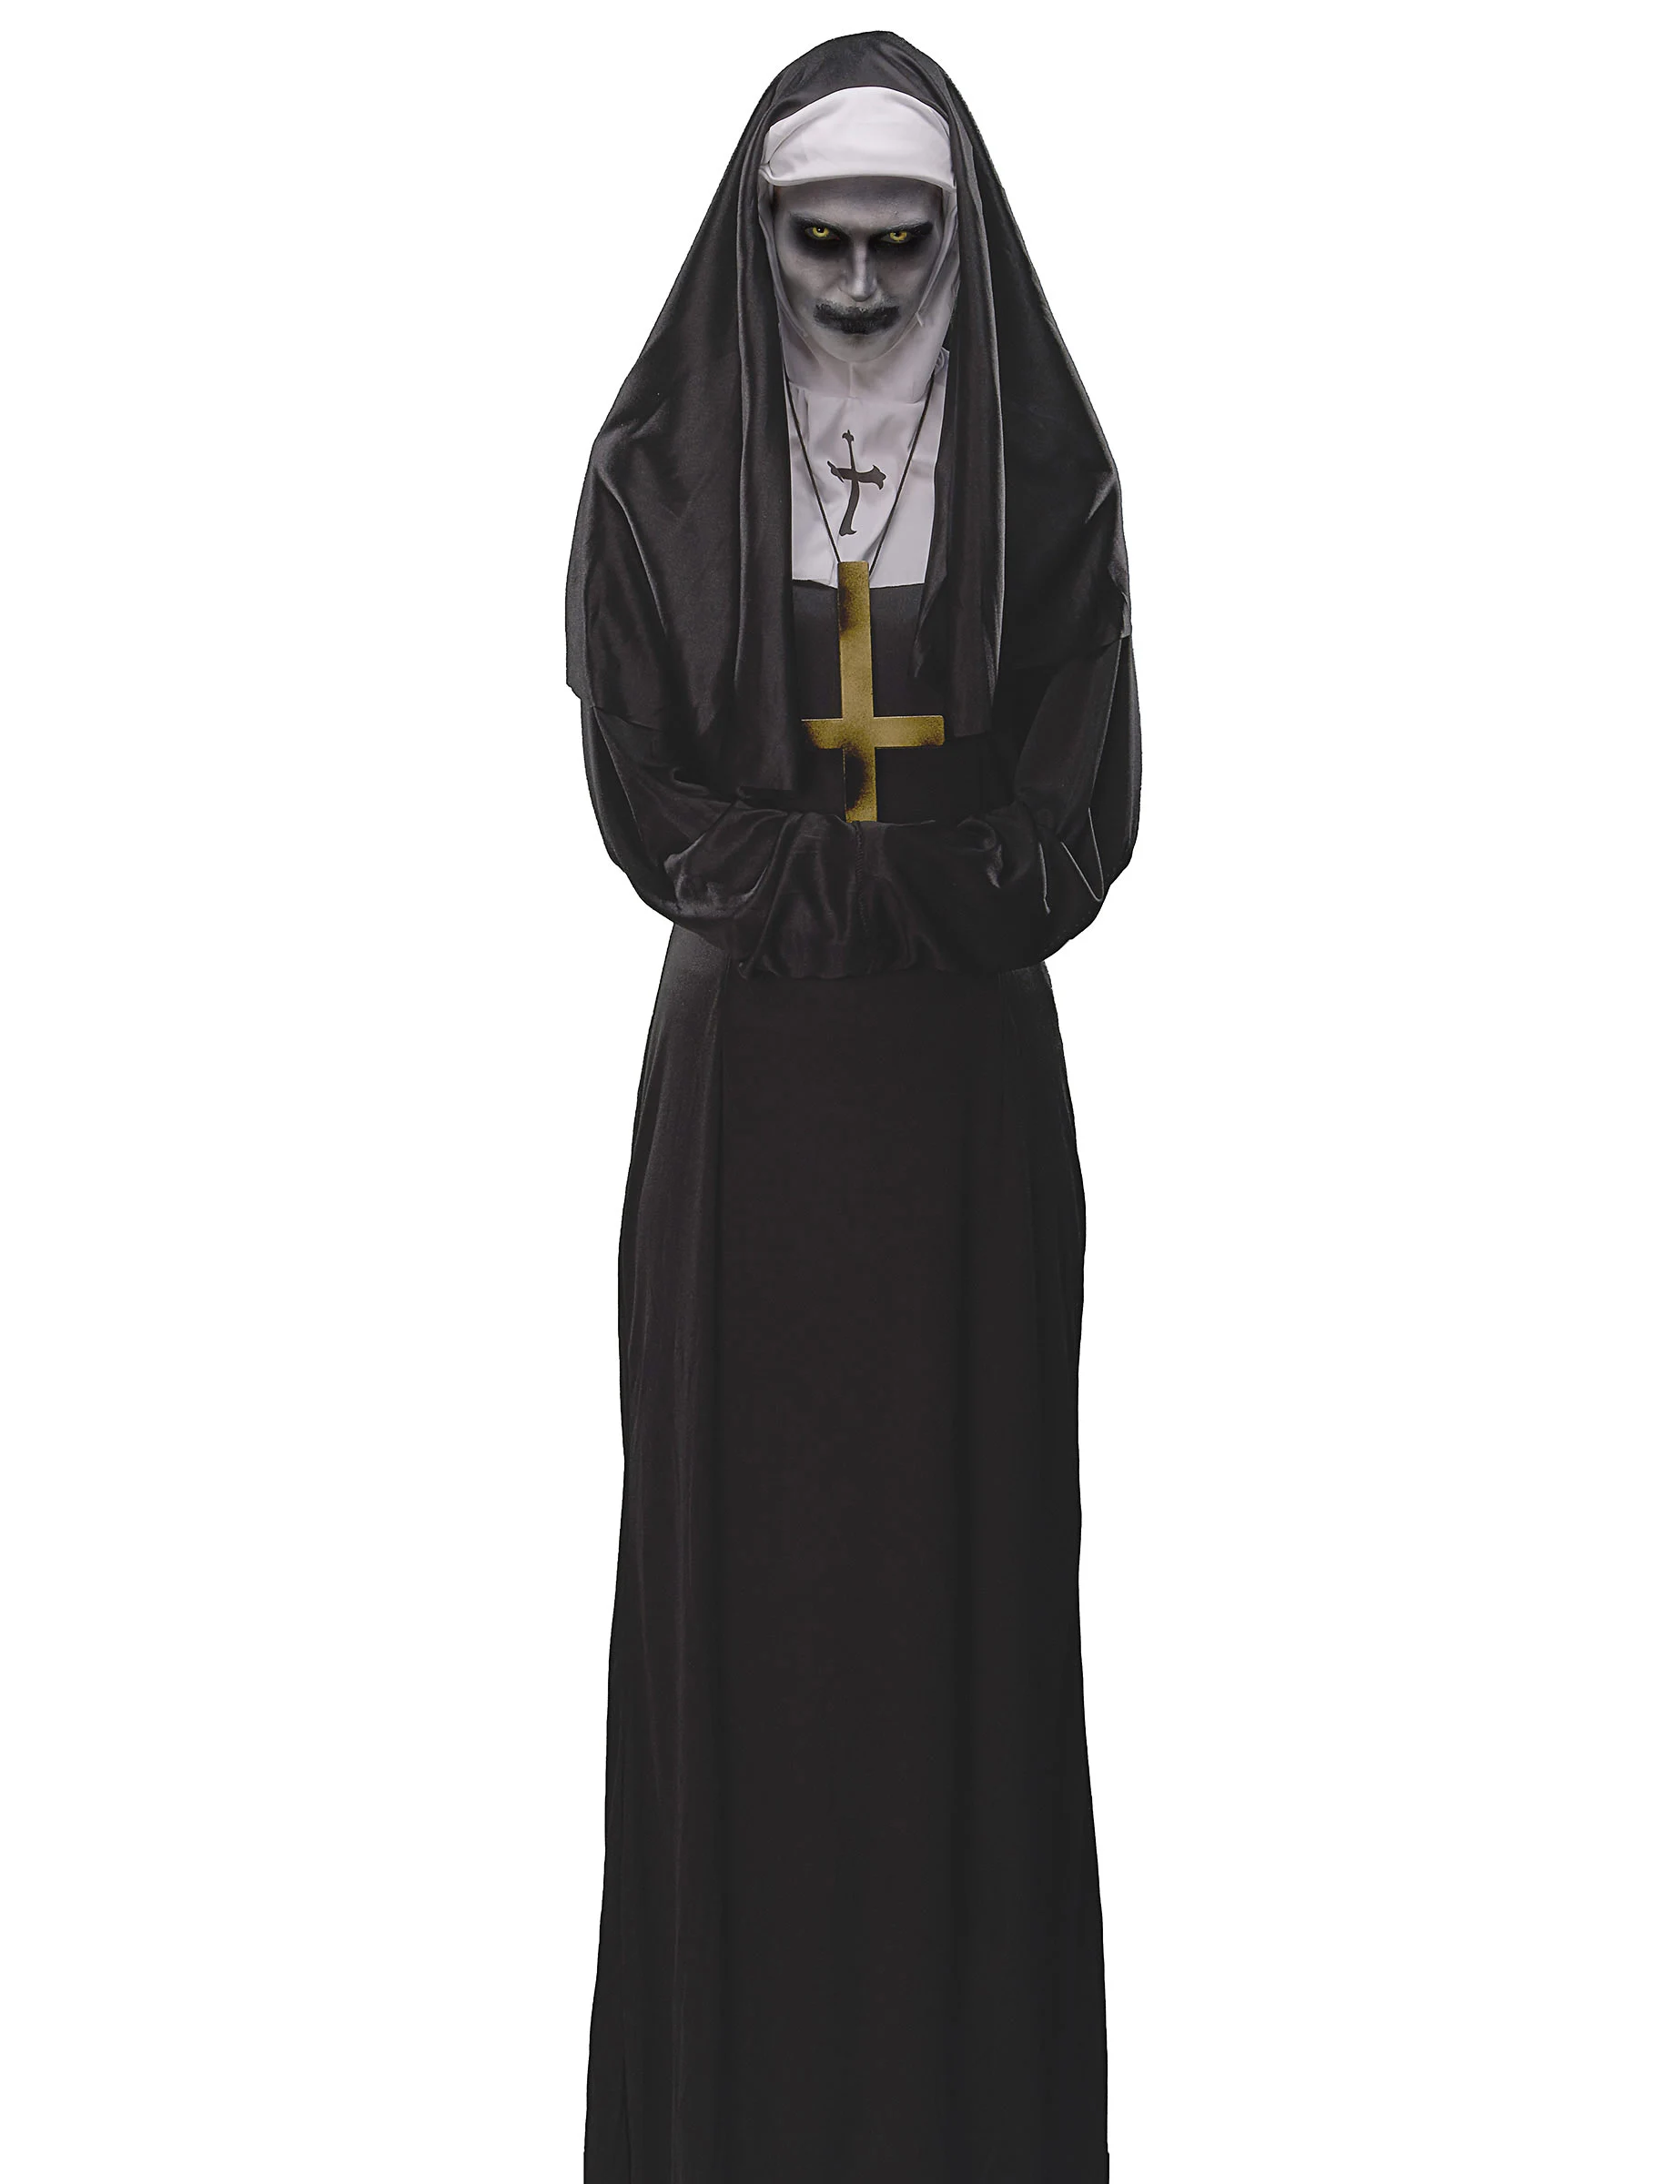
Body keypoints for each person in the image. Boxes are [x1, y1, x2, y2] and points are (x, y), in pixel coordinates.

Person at [566, 30, 1141, 2183]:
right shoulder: (650, 484)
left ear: (961, 240)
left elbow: (1082, 814)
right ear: (760, 235)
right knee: (745, 1614)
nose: (869, 284)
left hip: (967, 1121)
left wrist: (892, 895)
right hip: (744, 1121)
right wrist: (850, 890)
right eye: (826, 243)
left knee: (958, 1611)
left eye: (906, 243)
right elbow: (647, 799)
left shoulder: (1050, 488)